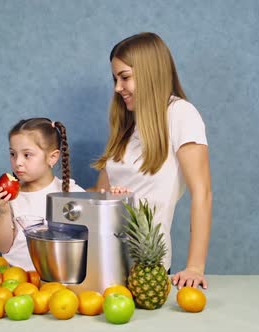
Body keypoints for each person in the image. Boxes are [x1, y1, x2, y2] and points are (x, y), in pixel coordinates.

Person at [91, 32, 212, 289]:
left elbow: (202, 193)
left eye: (125, 77)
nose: (117, 88)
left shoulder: (181, 114)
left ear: (149, 72)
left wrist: (195, 267)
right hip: (102, 259)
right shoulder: (126, 125)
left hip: (146, 266)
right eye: (115, 79)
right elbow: (99, 194)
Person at [0, 118, 85, 271]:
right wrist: (3, 211)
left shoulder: (72, 193)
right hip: (15, 281)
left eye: (27, 155)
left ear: (52, 157)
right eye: (13, 154)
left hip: (56, 285)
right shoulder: (11, 197)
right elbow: (3, 247)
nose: (18, 162)